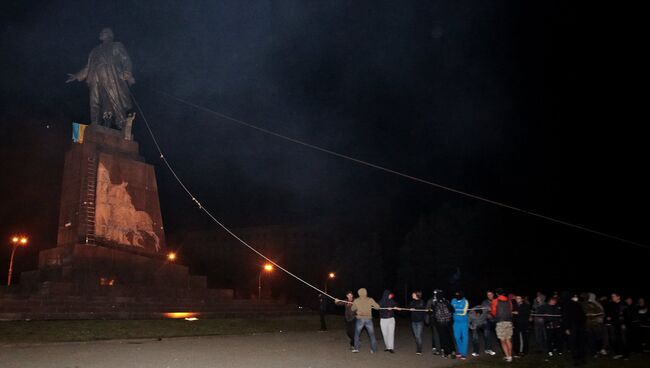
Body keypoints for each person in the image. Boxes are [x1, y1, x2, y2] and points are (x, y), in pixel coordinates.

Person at [67, 28, 135, 130]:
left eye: (103, 32)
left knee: (114, 99)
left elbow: (126, 60)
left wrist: (127, 73)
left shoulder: (116, 45)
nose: (100, 34)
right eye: (101, 32)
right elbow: (88, 67)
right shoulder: (95, 50)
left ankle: (121, 123)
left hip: (110, 76)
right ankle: (95, 123)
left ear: (109, 35)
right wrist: (77, 76)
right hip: (95, 77)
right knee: (94, 100)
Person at [350, 288, 380, 353]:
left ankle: (356, 348)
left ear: (359, 293)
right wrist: (372, 305)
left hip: (360, 319)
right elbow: (378, 307)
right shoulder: (370, 299)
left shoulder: (356, 300)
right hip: (368, 319)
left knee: (357, 334)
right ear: (366, 292)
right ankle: (374, 350)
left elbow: (352, 309)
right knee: (372, 335)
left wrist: (355, 305)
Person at [491, 288, 513, 362]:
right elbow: (511, 310)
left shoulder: (495, 301)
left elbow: (493, 312)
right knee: (508, 339)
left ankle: (507, 356)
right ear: (503, 293)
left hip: (500, 322)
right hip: (509, 322)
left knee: (502, 340)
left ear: (497, 294)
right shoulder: (509, 301)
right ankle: (510, 356)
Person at [431, 289, 456, 358]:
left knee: (443, 338)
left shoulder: (435, 303)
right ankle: (453, 351)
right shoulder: (447, 302)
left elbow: (432, 313)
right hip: (448, 322)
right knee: (449, 337)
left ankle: (447, 353)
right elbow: (453, 310)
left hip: (440, 323)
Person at [564, 293, 587, 365]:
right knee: (574, 343)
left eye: (577, 296)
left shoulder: (579, 305)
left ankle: (581, 358)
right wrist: (567, 328)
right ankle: (576, 359)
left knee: (580, 343)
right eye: (574, 297)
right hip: (573, 327)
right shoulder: (568, 305)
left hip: (580, 327)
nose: (576, 298)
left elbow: (584, 316)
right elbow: (566, 317)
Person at [581, 292, 605, 357]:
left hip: (596, 324)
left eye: (588, 296)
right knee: (590, 338)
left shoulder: (595, 304)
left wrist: (597, 320)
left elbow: (601, 314)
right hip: (588, 325)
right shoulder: (585, 304)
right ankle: (593, 352)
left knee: (598, 338)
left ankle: (599, 350)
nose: (586, 297)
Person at [609, 293, 629, 359]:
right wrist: (610, 318)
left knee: (623, 340)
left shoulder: (623, 304)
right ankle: (619, 353)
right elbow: (613, 314)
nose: (612, 297)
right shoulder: (612, 304)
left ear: (618, 297)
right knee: (615, 340)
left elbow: (626, 316)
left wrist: (624, 324)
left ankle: (626, 355)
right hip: (614, 325)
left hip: (622, 325)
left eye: (614, 296)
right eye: (612, 296)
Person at [451, 291, 469, 359]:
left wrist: (455, 313)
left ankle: (463, 353)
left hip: (464, 322)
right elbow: (451, 309)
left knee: (465, 337)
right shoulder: (453, 300)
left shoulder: (465, 301)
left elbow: (464, 312)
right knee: (456, 337)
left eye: (458, 295)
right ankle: (460, 351)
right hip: (456, 322)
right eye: (456, 295)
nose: (457, 296)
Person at [408, 291, 427, 355]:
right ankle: (418, 346)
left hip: (419, 321)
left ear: (417, 295)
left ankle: (419, 350)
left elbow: (422, 307)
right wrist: (410, 309)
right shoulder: (412, 302)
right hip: (413, 321)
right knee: (416, 336)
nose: (412, 295)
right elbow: (409, 307)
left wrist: (414, 308)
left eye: (413, 294)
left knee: (418, 336)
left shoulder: (422, 302)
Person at [425, 290, 442, 355]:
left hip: (442, 320)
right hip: (434, 319)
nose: (435, 294)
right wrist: (427, 318)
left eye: (436, 293)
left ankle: (441, 347)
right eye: (434, 293)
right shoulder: (430, 300)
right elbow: (427, 309)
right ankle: (436, 347)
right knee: (435, 334)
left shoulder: (442, 300)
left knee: (441, 334)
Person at [481, 290, 497, 355]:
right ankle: (488, 349)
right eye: (488, 295)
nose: (489, 296)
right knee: (487, 334)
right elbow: (484, 311)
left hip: (496, 320)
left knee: (500, 336)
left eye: (490, 294)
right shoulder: (484, 302)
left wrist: (492, 310)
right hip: (487, 320)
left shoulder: (497, 301)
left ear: (493, 295)